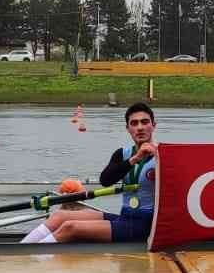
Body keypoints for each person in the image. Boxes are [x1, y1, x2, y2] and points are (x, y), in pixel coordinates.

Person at [21, 102, 158, 243]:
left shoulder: (164, 156)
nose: (140, 127)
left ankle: (30, 259)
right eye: (134, 123)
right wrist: (135, 159)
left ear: (153, 125)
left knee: (70, 227)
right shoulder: (122, 154)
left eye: (145, 122)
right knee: (59, 216)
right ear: (128, 129)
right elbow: (105, 181)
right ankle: (21, 251)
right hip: (125, 217)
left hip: (146, 224)